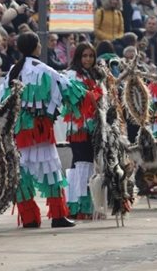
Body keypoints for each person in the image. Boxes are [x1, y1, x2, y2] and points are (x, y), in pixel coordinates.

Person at [0, 32, 87, 228]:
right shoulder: (44, 69)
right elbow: (68, 89)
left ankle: (29, 218)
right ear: (36, 47)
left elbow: (1, 100)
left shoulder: (14, 70)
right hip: (40, 131)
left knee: (22, 174)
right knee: (52, 171)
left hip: (20, 131)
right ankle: (57, 216)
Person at [62, 42, 102, 219]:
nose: (88, 59)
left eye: (91, 56)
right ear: (78, 57)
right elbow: (72, 97)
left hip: (95, 126)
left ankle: (84, 205)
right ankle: (79, 206)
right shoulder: (71, 75)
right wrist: (92, 96)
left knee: (88, 164)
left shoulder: (95, 75)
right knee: (81, 163)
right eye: (84, 56)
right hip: (78, 127)